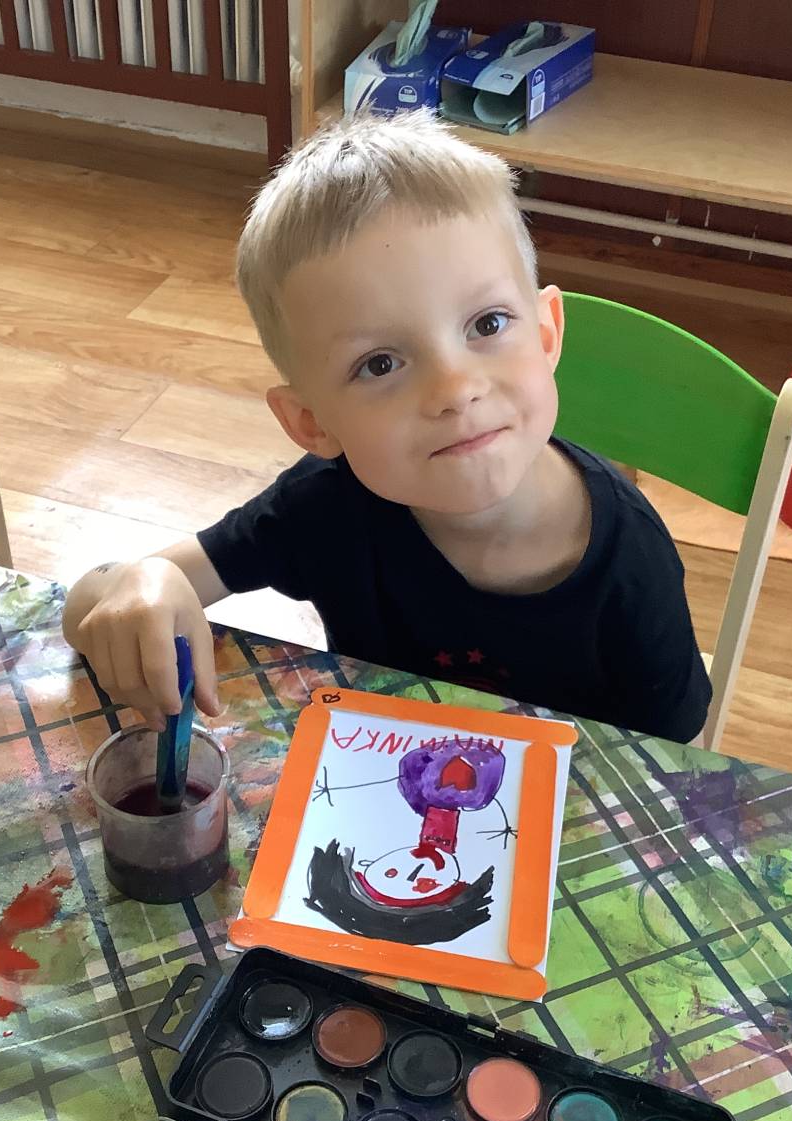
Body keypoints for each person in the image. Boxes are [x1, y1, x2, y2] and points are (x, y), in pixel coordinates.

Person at [63, 110, 710, 741]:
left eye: (487, 324)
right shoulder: (321, 508)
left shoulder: (631, 558)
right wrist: (148, 583)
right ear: (312, 423)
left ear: (545, 336)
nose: (455, 389)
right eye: (380, 364)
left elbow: (673, 759)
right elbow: (88, 608)